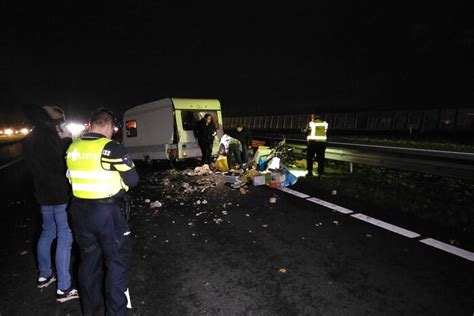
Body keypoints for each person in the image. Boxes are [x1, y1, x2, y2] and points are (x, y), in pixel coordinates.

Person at [66, 108, 139, 315]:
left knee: (88, 263)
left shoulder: (73, 147)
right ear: (109, 125)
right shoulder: (112, 148)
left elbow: (71, 178)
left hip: (79, 212)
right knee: (116, 264)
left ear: (91, 124)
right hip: (107, 214)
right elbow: (132, 181)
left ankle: (91, 311)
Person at [22, 104, 79, 303]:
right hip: (60, 194)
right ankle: (63, 288)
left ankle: (44, 275)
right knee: (65, 236)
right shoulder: (54, 138)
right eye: (61, 120)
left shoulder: (30, 138)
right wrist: (68, 140)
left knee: (47, 232)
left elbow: (30, 167)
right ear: (55, 121)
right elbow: (64, 163)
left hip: (42, 193)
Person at [303, 113, 328, 178]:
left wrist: (305, 130)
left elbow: (306, 132)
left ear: (314, 116)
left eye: (312, 116)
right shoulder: (324, 123)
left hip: (313, 144)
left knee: (310, 158)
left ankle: (310, 173)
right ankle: (321, 173)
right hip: (322, 143)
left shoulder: (311, 123)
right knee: (321, 159)